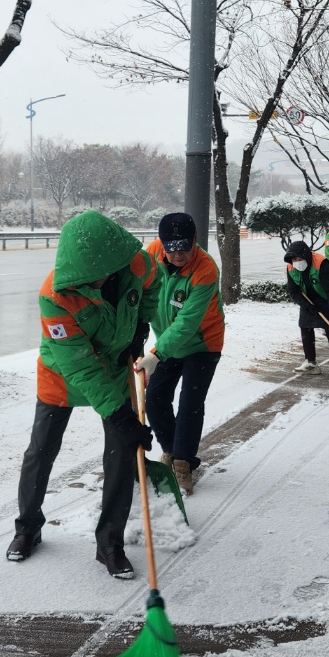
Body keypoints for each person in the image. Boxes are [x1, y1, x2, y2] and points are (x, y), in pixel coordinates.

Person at [8, 210, 158, 579]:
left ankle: (109, 543)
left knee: (122, 454)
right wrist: (121, 415)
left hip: (115, 364)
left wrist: (140, 327)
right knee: (41, 451)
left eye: (101, 271)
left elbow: (152, 289)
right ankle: (27, 527)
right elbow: (79, 366)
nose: (96, 279)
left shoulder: (138, 264)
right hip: (64, 373)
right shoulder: (55, 296)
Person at [139, 213, 225, 497]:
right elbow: (135, 292)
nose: (178, 255)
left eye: (185, 248)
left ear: (196, 241)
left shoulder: (206, 270)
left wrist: (156, 353)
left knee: (190, 403)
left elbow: (188, 323)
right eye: (171, 247)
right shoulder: (150, 256)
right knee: (155, 399)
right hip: (165, 342)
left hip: (202, 344)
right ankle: (172, 451)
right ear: (162, 244)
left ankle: (184, 464)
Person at [284, 240, 329, 373]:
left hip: (328, 295)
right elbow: (294, 292)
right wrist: (307, 306)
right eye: (294, 259)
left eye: (299, 258)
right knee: (305, 326)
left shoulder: (321, 264)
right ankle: (310, 362)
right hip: (309, 298)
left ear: (306, 256)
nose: (297, 261)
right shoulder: (291, 267)